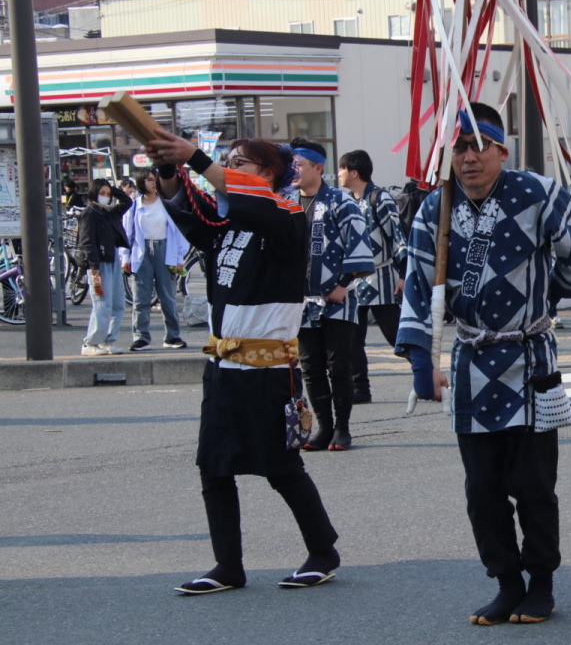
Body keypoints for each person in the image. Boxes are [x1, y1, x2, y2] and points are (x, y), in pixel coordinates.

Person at [397, 103, 571, 626]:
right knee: (481, 489)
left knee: (534, 486)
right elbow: (420, 287)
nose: (468, 158)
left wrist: (546, 298)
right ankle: (506, 582)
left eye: (478, 146)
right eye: (459, 148)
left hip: (530, 357)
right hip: (470, 363)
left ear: (501, 150)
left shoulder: (537, 192)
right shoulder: (434, 208)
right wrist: (424, 360)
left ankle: (542, 583)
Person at [144, 132, 342, 594]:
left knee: (280, 466)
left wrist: (195, 157)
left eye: (241, 163)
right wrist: (171, 169)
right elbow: (192, 216)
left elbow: (247, 201)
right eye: (228, 162)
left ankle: (323, 550)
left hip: (267, 366)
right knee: (213, 466)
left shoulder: (287, 215)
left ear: (269, 175)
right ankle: (227, 565)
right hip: (223, 364)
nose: (229, 170)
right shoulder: (227, 225)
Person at [288, 139, 374, 451]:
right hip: (302, 302)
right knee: (310, 366)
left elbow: (360, 246)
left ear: (317, 168)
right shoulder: (287, 203)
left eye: (298, 165)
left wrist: (344, 283)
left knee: (338, 365)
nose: (293, 171)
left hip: (339, 297)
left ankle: (343, 427)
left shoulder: (340, 201)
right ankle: (323, 427)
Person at [337, 150, 406, 405]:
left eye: (342, 169)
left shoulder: (380, 198)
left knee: (395, 334)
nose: (339, 174)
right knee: (354, 339)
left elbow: (398, 237)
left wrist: (403, 274)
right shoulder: (346, 201)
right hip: (354, 281)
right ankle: (360, 389)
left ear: (354, 172)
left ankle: (425, 374)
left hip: (383, 278)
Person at [121, 169, 189, 351]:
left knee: (168, 297)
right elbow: (126, 234)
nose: (153, 183)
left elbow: (179, 232)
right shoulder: (134, 206)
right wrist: (125, 257)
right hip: (141, 253)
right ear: (141, 183)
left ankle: (172, 337)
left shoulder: (167, 204)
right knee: (140, 298)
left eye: (155, 180)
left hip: (165, 250)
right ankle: (141, 337)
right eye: (149, 180)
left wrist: (179, 257)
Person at [77, 178, 132, 356]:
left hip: (113, 259)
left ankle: (108, 341)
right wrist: (94, 267)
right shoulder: (89, 213)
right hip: (98, 264)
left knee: (118, 304)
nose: (106, 197)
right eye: (102, 193)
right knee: (102, 304)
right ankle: (91, 343)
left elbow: (127, 201)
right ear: (93, 193)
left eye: (108, 194)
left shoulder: (110, 212)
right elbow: (87, 242)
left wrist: (113, 189)